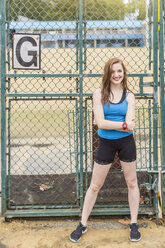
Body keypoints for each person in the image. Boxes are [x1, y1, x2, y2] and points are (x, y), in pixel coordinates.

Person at [69, 57, 141, 243]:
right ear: (107, 74)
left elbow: (129, 127)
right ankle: (83, 224)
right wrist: (123, 123)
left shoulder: (130, 96)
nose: (117, 75)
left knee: (132, 182)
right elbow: (100, 123)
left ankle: (134, 223)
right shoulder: (99, 93)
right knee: (95, 185)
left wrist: (111, 124)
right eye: (113, 71)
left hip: (126, 143)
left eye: (120, 71)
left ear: (123, 73)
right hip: (106, 143)